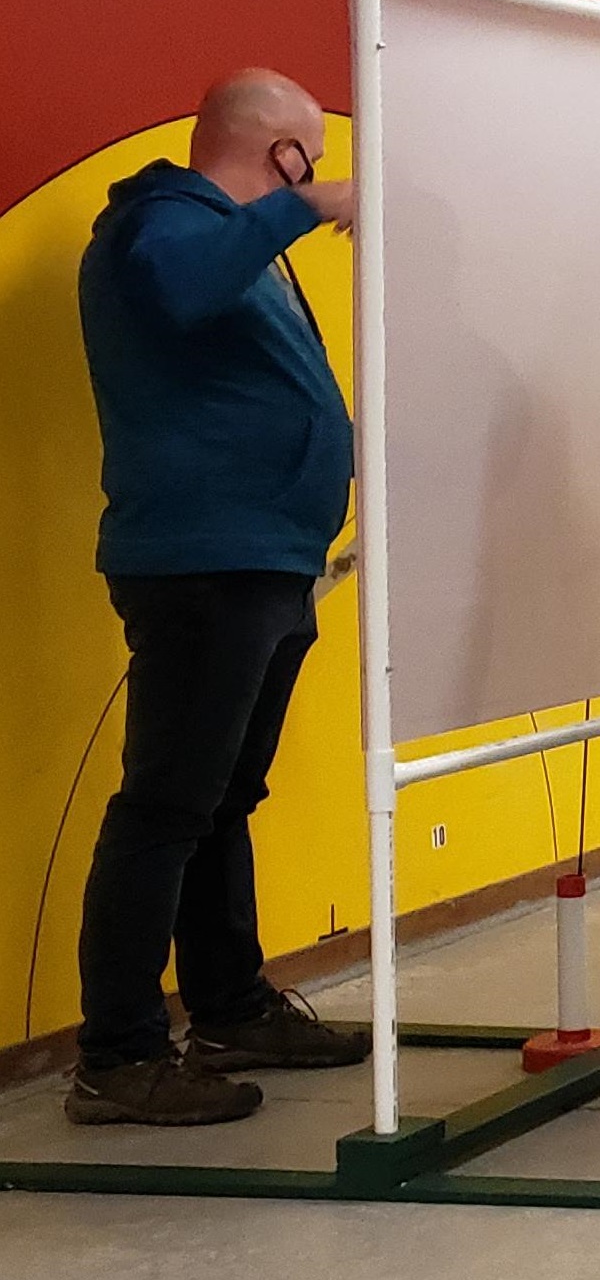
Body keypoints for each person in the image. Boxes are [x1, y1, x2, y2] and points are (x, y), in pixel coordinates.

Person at [67, 68, 374, 1128]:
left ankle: (232, 1003)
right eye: (310, 163)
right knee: (165, 806)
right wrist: (301, 209)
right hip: (205, 563)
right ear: (280, 152)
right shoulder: (158, 220)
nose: (321, 180)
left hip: (264, 559)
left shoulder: (227, 240)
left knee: (220, 800)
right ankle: (116, 1054)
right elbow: (181, 288)